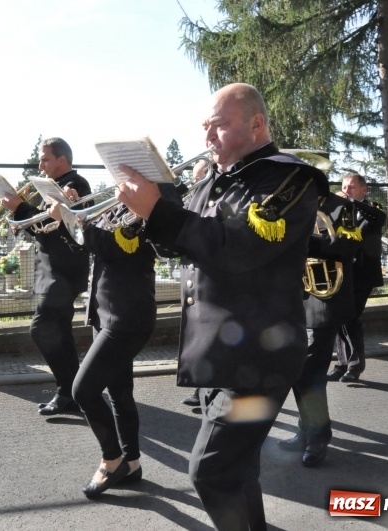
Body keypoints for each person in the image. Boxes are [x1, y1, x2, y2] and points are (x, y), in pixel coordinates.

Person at [116, 83, 328, 530]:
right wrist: (147, 214)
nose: (208, 136)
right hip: (220, 354)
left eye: (221, 125)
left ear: (256, 124)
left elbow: (239, 249)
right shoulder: (213, 179)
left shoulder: (289, 178)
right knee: (239, 469)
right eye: (205, 127)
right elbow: (185, 244)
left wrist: (161, 212)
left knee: (211, 470)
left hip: (261, 360)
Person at [47, 199, 159, 497]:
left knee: (82, 390)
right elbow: (87, 246)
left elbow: (113, 245)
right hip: (106, 313)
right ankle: (132, 463)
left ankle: (112, 459)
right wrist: (66, 218)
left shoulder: (147, 208)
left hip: (127, 316)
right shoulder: (119, 208)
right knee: (120, 393)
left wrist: (72, 218)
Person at [1, 137, 92, 416]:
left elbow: (59, 229)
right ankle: (75, 392)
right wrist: (20, 213)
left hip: (62, 274)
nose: (40, 164)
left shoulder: (75, 185)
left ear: (61, 160)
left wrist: (21, 208)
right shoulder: (51, 186)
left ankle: (67, 391)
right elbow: (42, 230)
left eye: (45, 158)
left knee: (41, 329)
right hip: (52, 271)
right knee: (60, 332)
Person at [279, 193, 359, 467]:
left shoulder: (341, 208)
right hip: (295, 299)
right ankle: (306, 432)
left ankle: (318, 436)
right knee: (296, 371)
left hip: (325, 301)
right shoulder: (293, 203)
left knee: (309, 372)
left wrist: (300, 240)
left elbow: (347, 247)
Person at [327, 172, 387, 383]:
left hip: (362, 275)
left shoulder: (373, 209)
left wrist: (352, 201)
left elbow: (379, 219)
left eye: (351, 187)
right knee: (338, 319)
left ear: (364, 190)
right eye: (344, 187)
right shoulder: (338, 210)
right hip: (341, 273)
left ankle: (354, 366)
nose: (346, 190)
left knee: (350, 318)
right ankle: (342, 364)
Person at [181, 156, 213, 408]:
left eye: (199, 178)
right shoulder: (192, 200)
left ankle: (207, 390)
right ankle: (200, 388)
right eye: (193, 179)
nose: (194, 184)